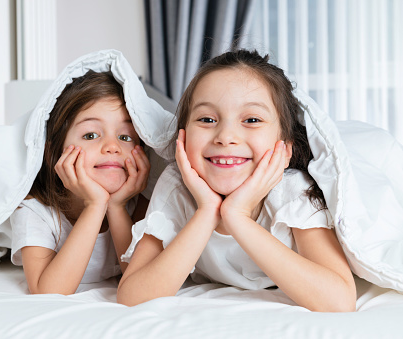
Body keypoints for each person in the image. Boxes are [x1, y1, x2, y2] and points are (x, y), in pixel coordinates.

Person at [117, 49, 356, 312]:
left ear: (284, 148)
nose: (226, 136)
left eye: (252, 120)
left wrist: (237, 216)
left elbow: (339, 300)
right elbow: (132, 295)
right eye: (207, 119)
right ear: (182, 139)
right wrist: (207, 211)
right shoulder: (177, 186)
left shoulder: (292, 192)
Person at [10, 70, 150, 295]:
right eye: (90, 135)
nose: (112, 146)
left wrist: (115, 207)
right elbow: (48, 291)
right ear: (55, 151)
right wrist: (95, 205)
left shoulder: (140, 204)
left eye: (125, 137)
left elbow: (139, 281)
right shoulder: (35, 212)